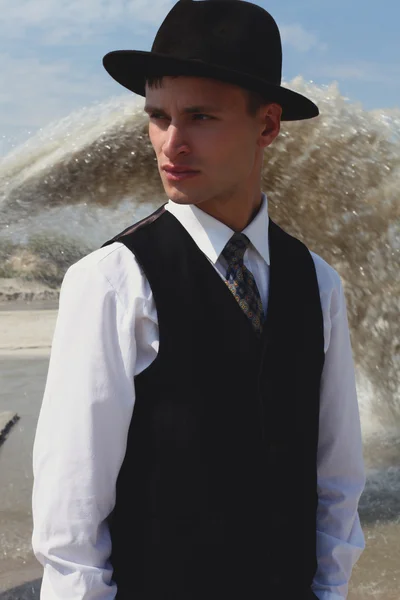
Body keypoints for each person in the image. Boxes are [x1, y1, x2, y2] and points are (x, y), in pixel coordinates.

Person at [32, 1, 366, 599]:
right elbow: (71, 510)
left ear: (267, 126)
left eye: (200, 117)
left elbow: (336, 476)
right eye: (158, 117)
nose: (171, 143)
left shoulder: (317, 282)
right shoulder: (111, 280)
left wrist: (330, 590)